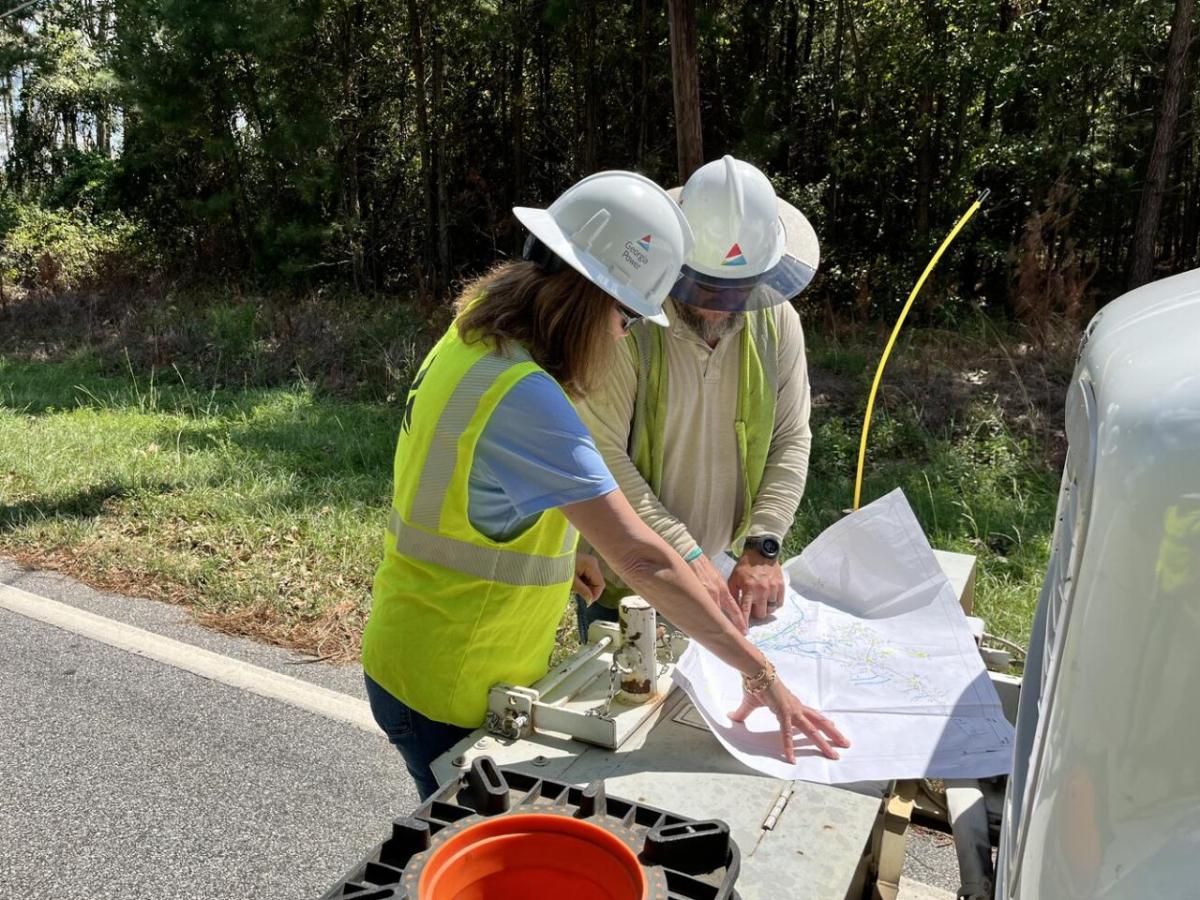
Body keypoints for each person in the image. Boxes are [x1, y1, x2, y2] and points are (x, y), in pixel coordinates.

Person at [361, 170, 847, 799]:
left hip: (417, 644)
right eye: (627, 317)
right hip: (450, 680)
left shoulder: (472, 338)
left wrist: (569, 549)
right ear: (591, 299)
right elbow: (642, 558)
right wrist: (759, 673)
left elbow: (469, 488)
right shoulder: (527, 397)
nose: (625, 335)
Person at [575, 155, 820, 640]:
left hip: (722, 578)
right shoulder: (626, 321)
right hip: (629, 585)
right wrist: (686, 558)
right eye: (702, 286)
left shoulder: (777, 323)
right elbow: (600, 460)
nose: (713, 306)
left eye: (733, 292)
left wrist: (763, 544)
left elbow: (791, 436)